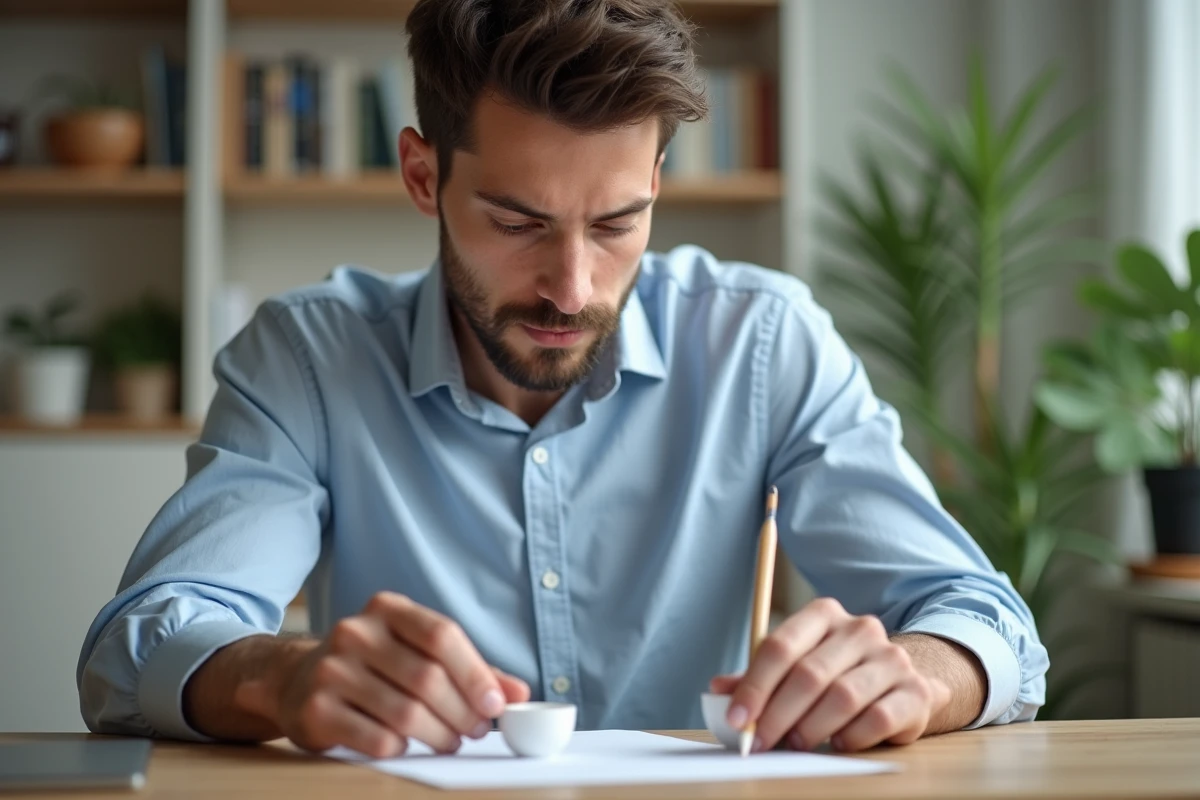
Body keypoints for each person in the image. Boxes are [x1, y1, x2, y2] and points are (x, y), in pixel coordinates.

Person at [77, 0, 1048, 759]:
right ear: (422, 176)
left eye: (617, 222)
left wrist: (916, 675)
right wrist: (277, 677)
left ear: (657, 181)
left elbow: (988, 623)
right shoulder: (307, 357)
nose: (573, 288)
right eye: (518, 222)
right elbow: (131, 654)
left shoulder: (762, 343)